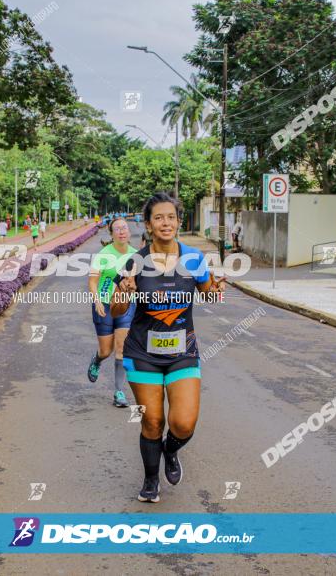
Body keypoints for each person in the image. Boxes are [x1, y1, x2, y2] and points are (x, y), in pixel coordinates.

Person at [111, 192, 226, 503]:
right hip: (142, 354)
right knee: (152, 421)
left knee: (183, 423)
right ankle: (151, 480)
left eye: (171, 217)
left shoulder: (193, 258)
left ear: (178, 222)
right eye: (158, 218)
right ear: (148, 225)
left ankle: (170, 450)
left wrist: (216, 289)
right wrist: (124, 292)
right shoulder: (134, 262)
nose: (166, 223)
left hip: (182, 352)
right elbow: (116, 311)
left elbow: (210, 296)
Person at [87, 217, 137, 408]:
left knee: (122, 347)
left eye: (124, 228)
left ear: (129, 232)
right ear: (112, 234)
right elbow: (92, 281)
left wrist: (133, 288)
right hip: (104, 305)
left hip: (125, 305)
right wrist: (97, 299)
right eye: (117, 229)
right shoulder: (103, 254)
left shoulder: (136, 256)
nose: (122, 231)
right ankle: (97, 359)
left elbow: (137, 283)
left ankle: (119, 392)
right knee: (106, 350)